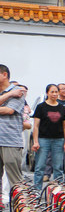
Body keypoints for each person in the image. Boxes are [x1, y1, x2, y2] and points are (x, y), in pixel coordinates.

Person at [31, 83, 65, 189]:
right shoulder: (41, 107)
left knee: (58, 167)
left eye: (56, 92)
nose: (54, 94)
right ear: (47, 93)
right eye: (52, 92)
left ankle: (57, 191)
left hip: (58, 140)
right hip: (43, 139)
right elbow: (36, 126)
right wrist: (36, 141)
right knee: (40, 166)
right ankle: (37, 190)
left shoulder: (62, 108)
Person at [0, 64, 28, 202]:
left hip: (10, 140)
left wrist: (11, 93)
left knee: (15, 180)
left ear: (4, 75)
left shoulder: (18, 91)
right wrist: (9, 95)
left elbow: (9, 111)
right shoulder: (13, 93)